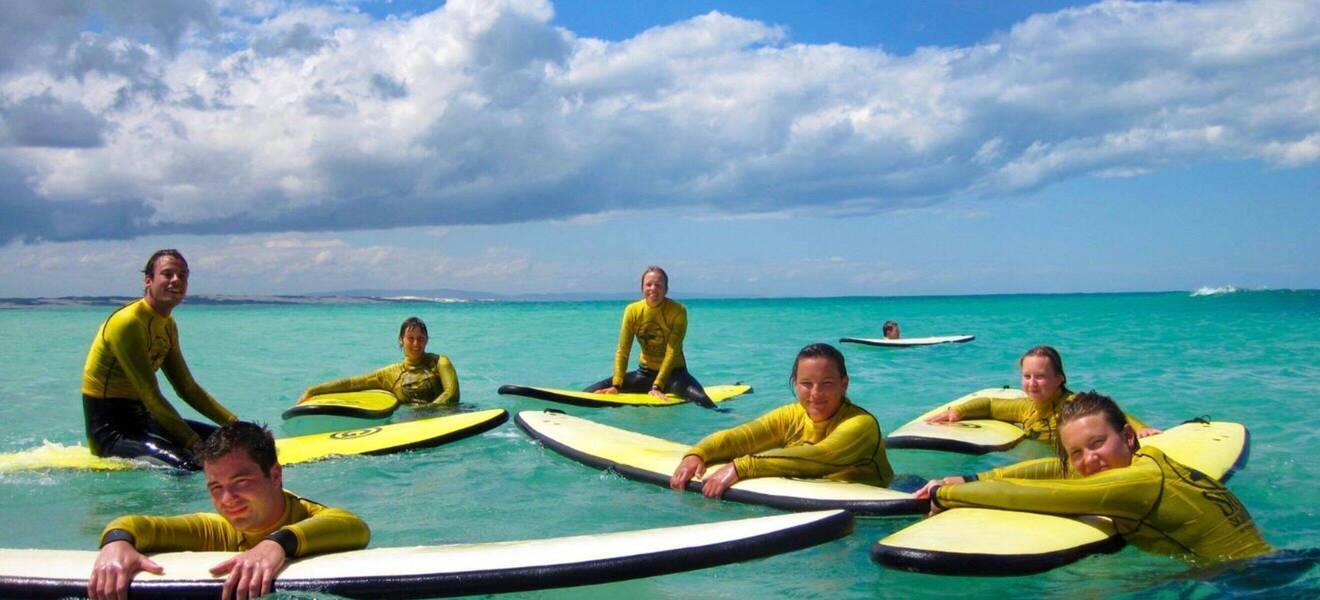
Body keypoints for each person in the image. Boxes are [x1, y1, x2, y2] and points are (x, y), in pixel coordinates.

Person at [912, 391, 1272, 564]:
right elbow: (1055, 470)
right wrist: (972, 476)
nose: (1089, 459)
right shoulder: (1149, 460)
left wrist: (946, 496)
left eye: (1097, 443)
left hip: (1254, 584)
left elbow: (1039, 496)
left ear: (1129, 436)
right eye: (1077, 451)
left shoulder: (1132, 484)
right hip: (1261, 568)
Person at [88, 421, 370, 600]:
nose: (228, 499)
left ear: (275, 475)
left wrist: (276, 544)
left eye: (241, 482)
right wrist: (116, 543)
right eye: (216, 487)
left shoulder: (307, 515)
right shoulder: (219, 530)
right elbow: (137, 524)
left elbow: (355, 526)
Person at [81, 249, 240, 470]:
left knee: (234, 445)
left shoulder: (167, 324)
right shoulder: (127, 323)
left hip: (145, 422)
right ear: (148, 280)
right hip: (111, 432)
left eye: (182, 276)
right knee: (190, 465)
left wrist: (237, 426)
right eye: (167, 274)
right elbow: (151, 396)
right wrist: (193, 443)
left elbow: (187, 388)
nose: (176, 280)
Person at [669, 343, 894, 497]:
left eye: (826, 384)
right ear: (795, 383)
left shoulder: (862, 424)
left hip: (882, 502)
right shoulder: (791, 415)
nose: (815, 393)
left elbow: (820, 456)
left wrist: (742, 467)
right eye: (806, 384)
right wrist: (698, 454)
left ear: (844, 384)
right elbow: (741, 437)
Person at [925, 345, 1160, 439]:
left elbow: (1111, 413)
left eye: (1040, 377)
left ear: (1059, 379)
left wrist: (1142, 429)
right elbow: (989, 405)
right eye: (1027, 377)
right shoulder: (1026, 407)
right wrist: (957, 412)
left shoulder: (1073, 405)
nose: (1032, 383)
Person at [584, 266, 715, 408]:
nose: (653, 288)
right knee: (590, 393)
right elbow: (623, 350)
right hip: (644, 374)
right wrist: (617, 384)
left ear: (666, 289)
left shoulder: (678, 311)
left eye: (658, 285)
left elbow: (672, 351)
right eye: (648, 284)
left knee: (704, 401)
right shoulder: (632, 311)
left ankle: (729, 415)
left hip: (675, 376)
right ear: (642, 288)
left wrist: (657, 386)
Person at [296, 316, 459, 406]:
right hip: (411, 425)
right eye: (410, 338)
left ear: (427, 340)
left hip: (445, 420)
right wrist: (314, 390)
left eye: (420, 338)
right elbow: (353, 383)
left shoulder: (440, 362)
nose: (416, 344)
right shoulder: (390, 374)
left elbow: (451, 394)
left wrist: (428, 414)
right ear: (401, 340)